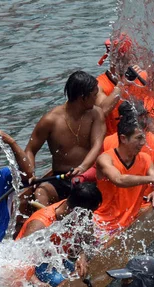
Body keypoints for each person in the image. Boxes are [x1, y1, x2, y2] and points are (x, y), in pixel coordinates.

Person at [25, 71, 106, 206]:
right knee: (41, 193)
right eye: (94, 95)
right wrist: (30, 172)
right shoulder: (50, 120)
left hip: (88, 177)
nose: (96, 98)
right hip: (60, 177)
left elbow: (97, 145)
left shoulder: (96, 114)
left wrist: (82, 167)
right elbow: (30, 150)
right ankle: (46, 221)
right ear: (82, 97)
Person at [94, 103, 154, 233]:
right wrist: (151, 179)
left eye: (143, 138)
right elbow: (119, 180)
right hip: (103, 224)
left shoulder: (145, 159)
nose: (143, 143)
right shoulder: (106, 158)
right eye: (138, 138)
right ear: (123, 138)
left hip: (129, 221)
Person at [16, 182, 103, 287]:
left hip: (57, 258)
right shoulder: (41, 223)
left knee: (88, 270)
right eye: (89, 213)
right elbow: (21, 258)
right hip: (35, 264)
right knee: (63, 281)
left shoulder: (77, 212)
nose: (90, 217)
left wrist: (82, 256)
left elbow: (86, 239)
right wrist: (36, 282)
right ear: (78, 210)